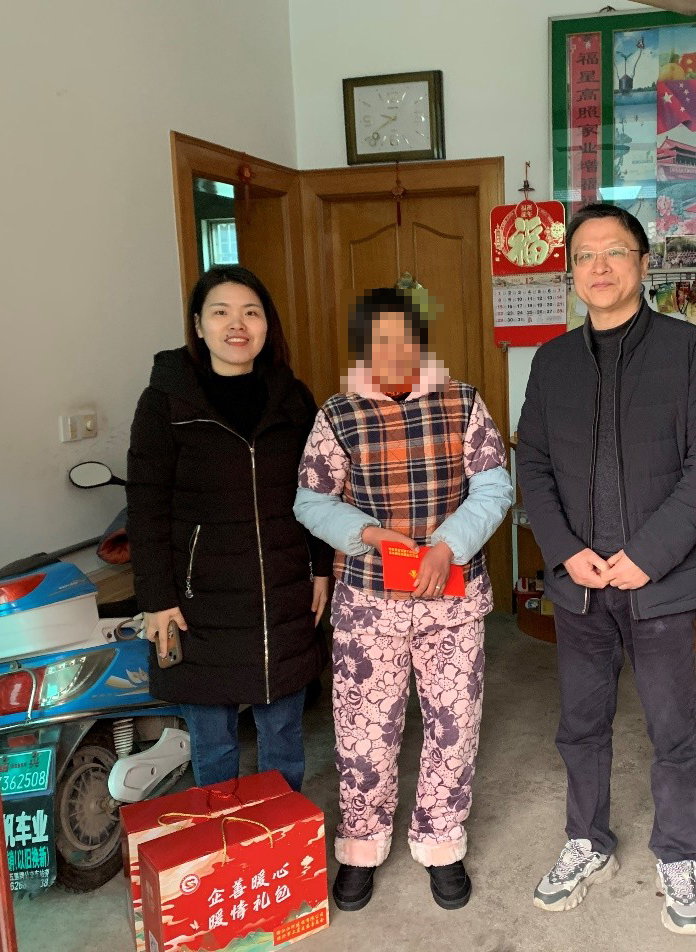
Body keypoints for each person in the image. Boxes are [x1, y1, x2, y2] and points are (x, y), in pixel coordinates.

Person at [517, 203, 696, 936]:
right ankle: (587, 839)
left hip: (660, 582)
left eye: (614, 251)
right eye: (584, 255)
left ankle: (677, 851)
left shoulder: (691, 351)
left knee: (672, 727)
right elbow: (533, 465)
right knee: (580, 724)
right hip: (579, 583)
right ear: (572, 274)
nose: (599, 266)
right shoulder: (552, 362)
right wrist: (563, 550)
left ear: (643, 264)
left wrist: (647, 555)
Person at [293, 287, 513, 913]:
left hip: (452, 600)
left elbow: (494, 488)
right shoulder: (338, 414)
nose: (393, 351)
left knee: (454, 726)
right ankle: (361, 847)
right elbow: (311, 501)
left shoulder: (463, 401)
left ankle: (442, 843)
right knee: (364, 733)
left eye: (404, 337)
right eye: (378, 339)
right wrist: (369, 535)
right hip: (368, 603)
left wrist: (447, 546)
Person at [126, 265, 333, 795]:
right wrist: (157, 599)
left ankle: (280, 836)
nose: (237, 325)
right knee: (214, 742)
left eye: (251, 312)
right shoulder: (166, 401)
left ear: (267, 326)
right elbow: (145, 508)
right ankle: (222, 836)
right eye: (221, 312)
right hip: (199, 601)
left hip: (282, 590)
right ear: (198, 325)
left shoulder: (292, 398)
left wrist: (321, 567)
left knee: (282, 733)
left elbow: (317, 490)